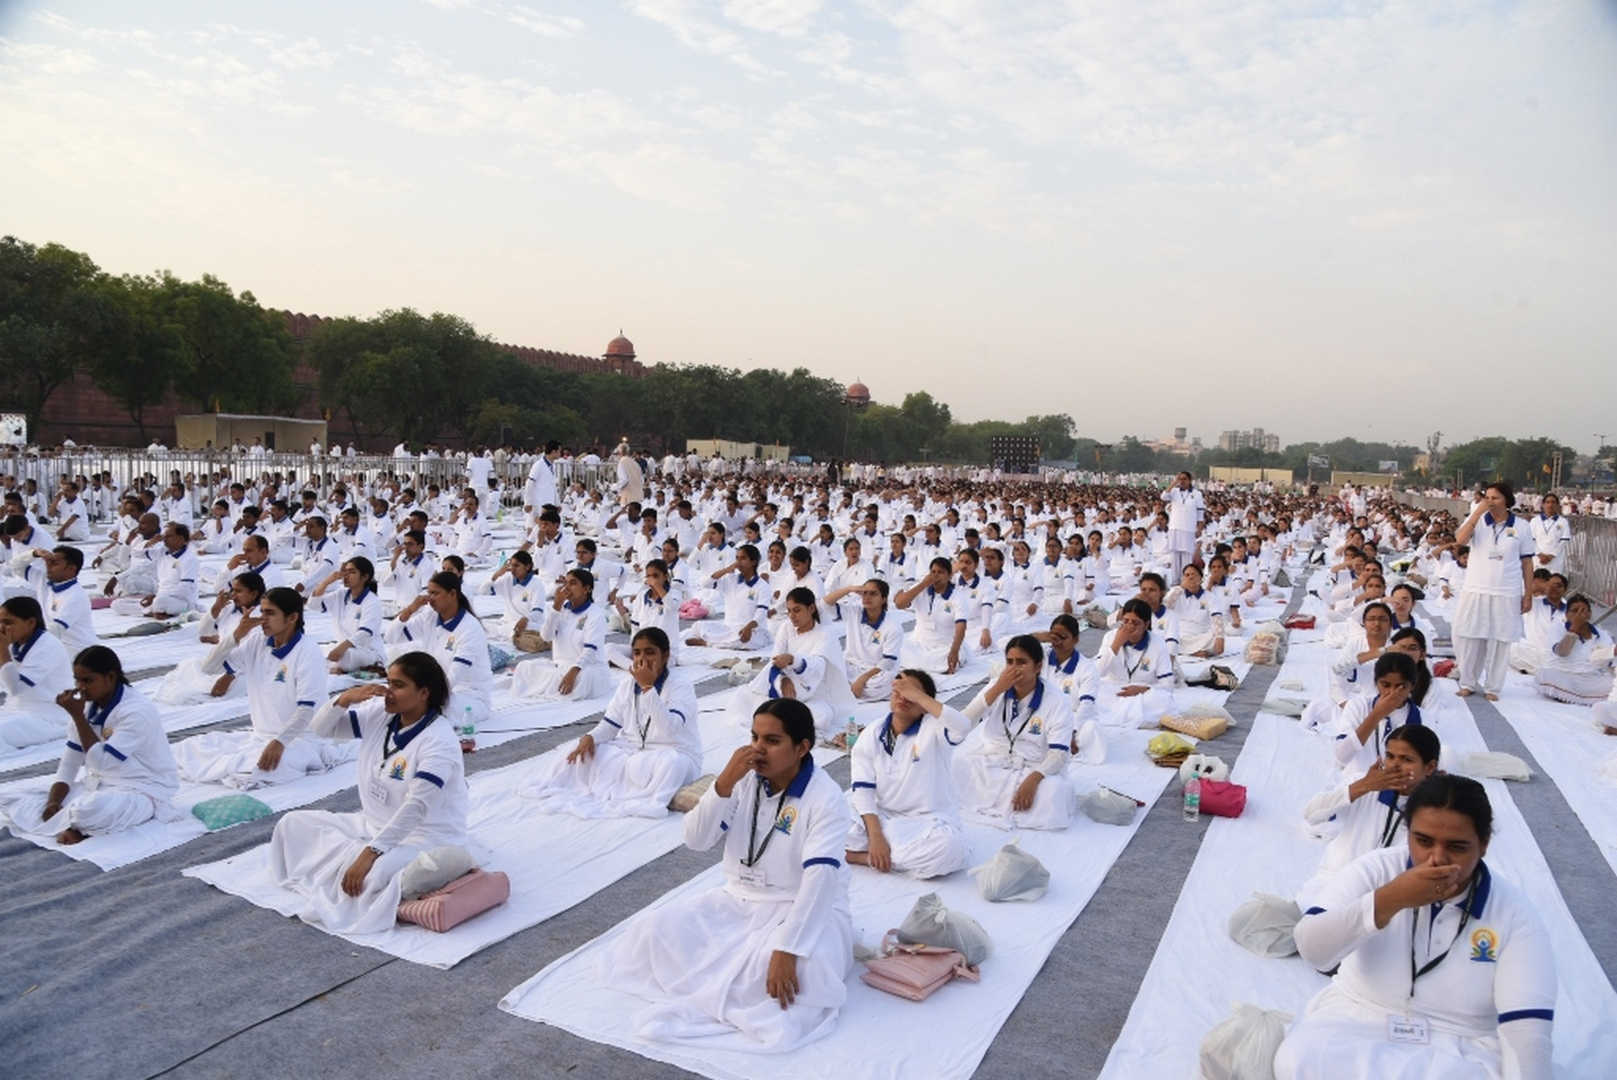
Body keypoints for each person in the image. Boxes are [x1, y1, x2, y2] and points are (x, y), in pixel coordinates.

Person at [599, 697, 853, 1050]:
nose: (758, 750)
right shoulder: (744, 779)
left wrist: (789, 947)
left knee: (798, 974)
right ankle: (724, 982)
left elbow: (821, 881)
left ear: (802, 748)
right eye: (755, 738)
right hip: (738, 900)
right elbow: (697, 840)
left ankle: (753, 970)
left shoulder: (825, 798)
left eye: (772, 741)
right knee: (653, 930)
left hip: (800, 908)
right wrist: (723, 785)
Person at [1276, 776, 1555, 1079]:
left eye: (1457, 847)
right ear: (1408, 834)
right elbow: (1313, 949)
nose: (1436, 859)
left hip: (1460, 1043)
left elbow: (1527, 1029)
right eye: (1423, 841)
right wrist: (1388, 900)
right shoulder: (1376, 870)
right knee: (1298, 1058)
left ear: (1484, 844)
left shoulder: (1514, 912)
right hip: (1358, 1017)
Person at [269, 652, 469, 934]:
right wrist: (344, 699)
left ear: (424, 693)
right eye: (388, 682)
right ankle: (347, 864)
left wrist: (371, 852)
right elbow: (322, 729)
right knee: (292, 824)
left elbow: (417, 806)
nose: (388, 692)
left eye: (398, 685)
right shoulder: (381, 715)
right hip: (372, 824)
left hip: (425, 837)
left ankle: (362, 870)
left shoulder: (440, 741)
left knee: (375, 874)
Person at [0, 646, 180, 844]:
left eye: (87, 680)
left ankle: (76, 825)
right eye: (77, 679)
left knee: (87, 810)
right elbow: (69, 764)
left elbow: (102, 762)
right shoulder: (88, 706)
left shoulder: (136, 712)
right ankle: (70, 824)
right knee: (11, 797)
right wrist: (53, 803)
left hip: (142, 790)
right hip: (97, 785)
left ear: (110, 677)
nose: (80, 687)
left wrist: (77, 717)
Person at [172, 587, 347, 788]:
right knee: (187, 749)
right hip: (260, 737)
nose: (263, 619)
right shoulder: (257, 641)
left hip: (300, 739)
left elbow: (306, 710)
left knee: (253, 770)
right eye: (262, 612)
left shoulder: (308, 652)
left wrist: (280, 742)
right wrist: (236, 635)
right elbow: (209, 668)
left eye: (270, 613)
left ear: (292, 618)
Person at [519, 628, 702, 818]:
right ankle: (625, 786)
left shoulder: (680, 686)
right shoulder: (627, 685)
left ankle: (642, 791)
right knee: (580, 750)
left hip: (673, 752)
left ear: (665, 656)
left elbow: (669, 728)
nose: (642, 659)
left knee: (672, 765)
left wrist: (648, 688)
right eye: (637, 653)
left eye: (650, 652)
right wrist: (590, 737)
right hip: (632, 748)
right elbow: (610, 724)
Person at [1298, 724, 1442, 908]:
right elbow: (1311, 815)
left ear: (1430, 767)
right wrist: (1362, 787)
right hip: (1330, 888)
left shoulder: (1434, 811)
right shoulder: (1361, 784)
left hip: (1384, 904)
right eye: (1390, 756)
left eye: (1406, 759)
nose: (1395, 766)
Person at [845, 670, 971, 879]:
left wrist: (918, 695)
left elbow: (963, 726)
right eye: (899, 691)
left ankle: (863, 857)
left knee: (950, 849)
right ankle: (878, 853)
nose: (903, 697)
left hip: (925, 822)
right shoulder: (873, 732)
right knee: (827, 823)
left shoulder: (934, 728)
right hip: (880, 817)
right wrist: (876, 836)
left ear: (925, 703)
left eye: (911, 693)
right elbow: (863, 790)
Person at [952, 635, 1074, 829]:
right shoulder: (996, 687)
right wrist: (997, 689)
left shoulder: (1057, 701)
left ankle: (1014, 805)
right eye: (1009, 662)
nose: (1014, 668)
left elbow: (1058, 754)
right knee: (957, 764)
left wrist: (1034, 779)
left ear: (1037, 666)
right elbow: (963, 723)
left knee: (1053, 792)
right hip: (994, 760)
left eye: (1022, 662)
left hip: (1034, 766)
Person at [727, 586, 853, 734]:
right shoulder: (786, 627)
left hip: (814, 691)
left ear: (811, 608)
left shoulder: (825, 634)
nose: (792, 616)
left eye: (797, 610)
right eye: (789, 611)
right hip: (786, 687)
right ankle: (783, 715)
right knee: (743, 698)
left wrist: (794, 660)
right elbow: (776, 659)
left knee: (822, 717)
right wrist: (783, 680)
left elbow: (818, 666)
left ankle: (781, 716)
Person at [1451, 483, 1534, 701]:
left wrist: (1528, 594)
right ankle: (1468, 682)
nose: (1490, 501)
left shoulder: (1522, 526)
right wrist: (1477, 512)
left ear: (1506, 500)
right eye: (1486, 497)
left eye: (1495, 498)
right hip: (1476, 589)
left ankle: (1493, 688)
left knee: (1500, 640)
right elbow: (1459, 541)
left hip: (1507, 590)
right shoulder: (1477, 522)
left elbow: (1527, 562)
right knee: (1471, 637)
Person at [385, 571, 493, 737]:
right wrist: (410, 609)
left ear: (452, 594)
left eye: (435, 593)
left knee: (421, 709)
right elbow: (392, 636)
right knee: (398, 700)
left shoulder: (470, 628)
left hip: (468, 697)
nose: (430, 599)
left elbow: (453, 677)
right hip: (435, 688)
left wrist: (421, 697)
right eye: (429, 593)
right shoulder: (430, 616)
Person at [154, 572, 265, 704]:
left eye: (239, 591)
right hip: (220, 660)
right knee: (189, 669)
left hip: (244, 668)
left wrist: (232, 674)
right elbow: (204, 632)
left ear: (253, 594)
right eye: (232, 590)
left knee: (217, 688)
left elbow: (254, 653)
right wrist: (215, 609)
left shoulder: (259, 618)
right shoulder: (228, 609)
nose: (233, 595)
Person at [511, 569, 609, 701]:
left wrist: (574, 671)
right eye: (565, 583)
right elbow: (546, 637)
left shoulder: (596, 614)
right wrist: (556, 606)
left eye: (573, 583)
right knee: (525, 667)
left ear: (586, 589)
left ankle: (556, 684)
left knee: (583, 679)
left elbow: (591, 649)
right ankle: (554, 684)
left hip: (587, 667)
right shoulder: (561, 610)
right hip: (560, 666)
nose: (567, 588)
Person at [0, 596, 75, 749]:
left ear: (31, 623)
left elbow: (16, 688)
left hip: (48, 717)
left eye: (8, 622)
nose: (2, 627)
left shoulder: (47, 646)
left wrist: (2, 653)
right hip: (15, 709)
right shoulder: (14, 644)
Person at [1092, 597, 1177, 729]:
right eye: (1126, 621)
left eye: (1136, 623)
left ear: (1146, 624)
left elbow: (1168, 685)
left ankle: (1124, 716)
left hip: (1143, 693)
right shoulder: (1110, 637)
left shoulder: (1158, 643)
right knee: (1091, 694)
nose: (1130, 626)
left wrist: (1142, 690)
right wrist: (1115, 645)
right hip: (1114, 691)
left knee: (1165, 701)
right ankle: (1130, 717)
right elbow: (1096, 673)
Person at [683, 543, 771, 651]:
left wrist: (748, 627)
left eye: (743, 558)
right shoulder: (730, 579)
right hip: (729, 628)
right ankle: (719, 642)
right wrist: (726, 570)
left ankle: (707, 643)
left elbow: (761, 614)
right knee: (697, 627)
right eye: (737, 558)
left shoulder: (763, 586)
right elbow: (706, 584)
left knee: (748, 641)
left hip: (752, 629)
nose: (738, 562)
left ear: (753, 562)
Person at [1534, 594, 1614, 705]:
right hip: (1564, 675)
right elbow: (1562, 652)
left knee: (1613, 683)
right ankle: (1586, 698)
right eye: (1574, 611)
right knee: (1545, 675)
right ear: (1566, 615)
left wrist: (1612, 653)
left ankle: (1574, 696)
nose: (1579, 614)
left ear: (1589, 614)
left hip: (1592, 679)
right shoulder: (1557, 628)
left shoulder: (1602, 634)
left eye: (1583, 611)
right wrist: (1574, 628)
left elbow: (1607, 664)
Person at [310, 557, 385, 673]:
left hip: (367, 652)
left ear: (365, 577)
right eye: (345, 571)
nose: (346, 575)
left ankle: (340, 668)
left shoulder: (372, 601)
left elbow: (365, 633)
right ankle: (337, 667)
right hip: (344, 648)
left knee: (346, 656)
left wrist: (341, 649)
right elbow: (313, 605)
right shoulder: (341, 595)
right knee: (314, 651)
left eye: (352, 572)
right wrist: (327, 582)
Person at [842, 578, 905, 701]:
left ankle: (849, 687)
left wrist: (862, 679)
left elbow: (888, 662)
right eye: (864, 593)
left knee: (886, 682)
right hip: (852, 666)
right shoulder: (854, 612)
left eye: (873, 593)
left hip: (877, 672)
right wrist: (849, 589)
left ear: (884, 599)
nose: (867, 597)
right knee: (830, 667)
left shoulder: (893, 626)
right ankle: (851, 687)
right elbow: (825, 604)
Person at [39, 546, 96, 653]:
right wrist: (34, 553)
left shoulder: (75, 596)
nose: (48, 566)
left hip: (78, 651)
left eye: (54, 563)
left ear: (71, 569)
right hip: (60, 646)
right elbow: (17, 566)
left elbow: (56, 628)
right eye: (48, 562)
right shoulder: (54, 588)